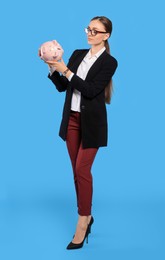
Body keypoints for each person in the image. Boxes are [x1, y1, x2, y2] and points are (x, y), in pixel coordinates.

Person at [44, 16, 118, 250]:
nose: (90, 33)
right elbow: (63, 87)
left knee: (82, 169)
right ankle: (86, 214)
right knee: (76, 172)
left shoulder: (110, 62)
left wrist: (65, 70)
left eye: (96, 31)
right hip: (72, 121)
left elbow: (90, 90)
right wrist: (52, 67)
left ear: (106, 35)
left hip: (92, 124)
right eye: (89, 29)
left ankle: (83, 220)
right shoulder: (77, 54)